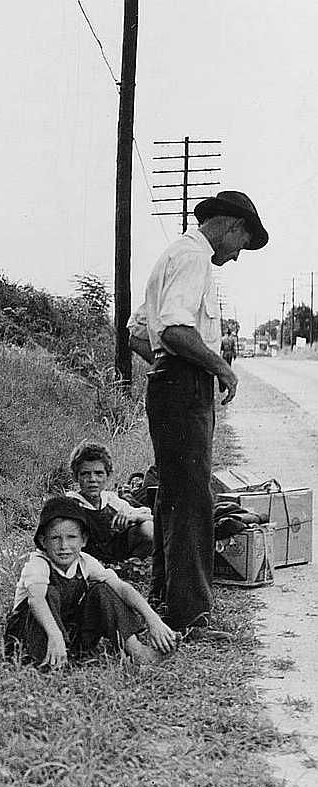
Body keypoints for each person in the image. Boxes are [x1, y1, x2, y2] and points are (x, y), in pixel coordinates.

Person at [140, 190, 268, 632]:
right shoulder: (194, 258)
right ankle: (191, 614)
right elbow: (174, 329)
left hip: (170, 384)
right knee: (193, 498)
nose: (235, 257)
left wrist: (163, 365)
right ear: (232, 226)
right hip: (185, 387)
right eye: (241, 245)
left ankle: (165, 594)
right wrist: (219, 369)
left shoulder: (173, 256)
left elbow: (139, 332)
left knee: (172, 494)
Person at [3, 496, 178, 668]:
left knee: (103, 590)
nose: (64, 546)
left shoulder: (84, 561)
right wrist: (55, 636)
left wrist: (153, 619)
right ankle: (48, 660)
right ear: (43, 541)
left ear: (84, 540)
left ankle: (136, 650)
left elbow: (122, 588)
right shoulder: (38, 563)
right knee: (49, 592)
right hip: (33, 635)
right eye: (55, 538)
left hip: (66, 633)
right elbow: (36, 599)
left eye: (72, 537)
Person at [64, 441, 154, 565]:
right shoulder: (71, 504)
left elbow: (152, 518)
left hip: (116, 556)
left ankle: (129, 566)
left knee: (148, 528)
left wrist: (134, 516)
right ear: (75, 477)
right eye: (85, 474)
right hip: (86, 561)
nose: (92, 479)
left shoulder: (110, 500)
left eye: (99, 473)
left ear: (108, 475)